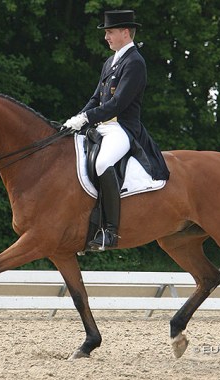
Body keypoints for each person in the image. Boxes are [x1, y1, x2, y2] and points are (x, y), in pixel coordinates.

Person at [63, 9, 170, 250]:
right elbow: (95, 98)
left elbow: (117, 104)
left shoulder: (135, 62)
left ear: (124, 32)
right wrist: (76, 119)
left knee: (102, 164)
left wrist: (87, 118)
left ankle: (109, 230)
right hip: (102, 127)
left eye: (110, 32)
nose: (106, 37)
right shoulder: (110, 62)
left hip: (122, 128)